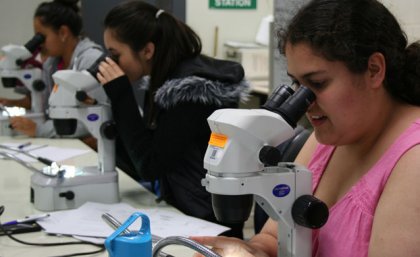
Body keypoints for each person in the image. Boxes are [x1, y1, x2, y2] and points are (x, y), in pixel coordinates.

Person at [191, 0, 420, 256]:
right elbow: (271, 238)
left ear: (374, 70)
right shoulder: (327, 139)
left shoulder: (414, 161)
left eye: (318, 83)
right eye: (296, 84)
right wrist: (248, 252)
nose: (305, 102)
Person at [96, 1, 250, 238]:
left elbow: (149, 165)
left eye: (116, 55)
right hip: (185, 208)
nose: (112, 63)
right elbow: (140, 159)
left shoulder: (189, 94)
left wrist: (122, 96)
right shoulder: (166, 79)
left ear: (147, 50)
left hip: (208, 224)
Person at [0, 0, 104, 138]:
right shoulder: (52, 63)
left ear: (63, 32)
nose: (39, 43)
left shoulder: (90, 61)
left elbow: (92, 119)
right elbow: (48, 107)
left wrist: (39, 130)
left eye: (41, 36)